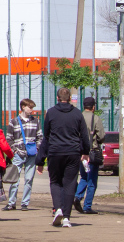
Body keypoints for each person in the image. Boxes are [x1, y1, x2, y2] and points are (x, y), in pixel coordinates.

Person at [36, 87, 91, 227]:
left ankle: (58, 209)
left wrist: (40, 159)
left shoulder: (51, 113)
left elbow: (46, 137)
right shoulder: (77, 114)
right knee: (70, 183)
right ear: (70, 98)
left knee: (55, 181)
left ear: (57, 98)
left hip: (55, 152)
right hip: (73, 152)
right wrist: (85, 152)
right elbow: (84, 135)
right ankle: (66, 217)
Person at [2, 99, 41, 212]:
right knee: (15, 179)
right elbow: (9, 138)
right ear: (23, 107)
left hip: (31, 154)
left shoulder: (36, 122)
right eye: (30, 107)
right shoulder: (13, 122)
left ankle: (25, 203)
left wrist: (36, 148)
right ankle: (11, 202)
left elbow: (40, 137)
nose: (32, 110)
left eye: (32, 108)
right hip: (19, 154)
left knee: (29, 179)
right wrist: (15, 150)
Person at [74, 96, 104, 215]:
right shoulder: (95, 118)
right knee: (92, 180)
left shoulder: (78, 117)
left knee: (83, 177)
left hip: (80, 153)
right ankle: (87, 206)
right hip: (91, 153)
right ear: (93, 107)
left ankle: (77, 196)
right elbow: (101, 136)